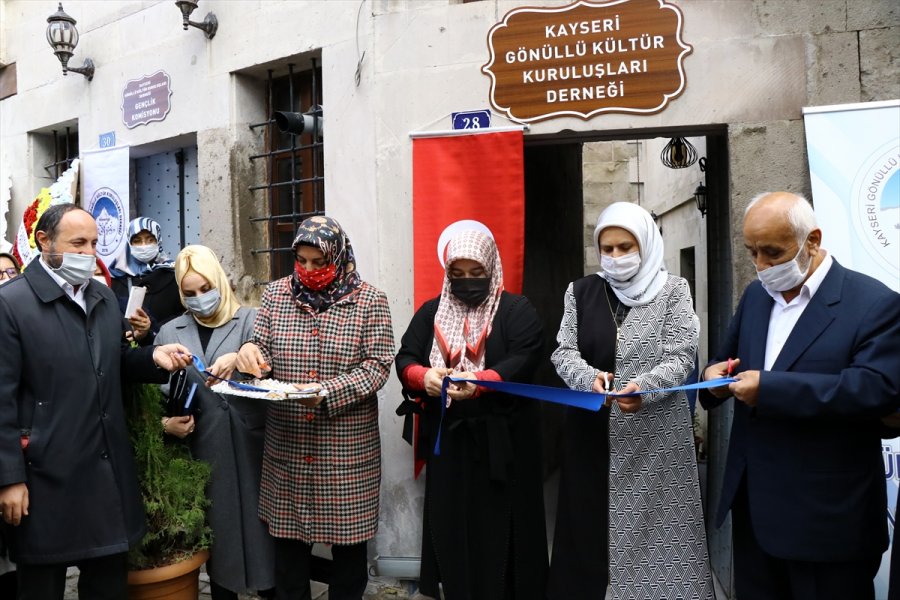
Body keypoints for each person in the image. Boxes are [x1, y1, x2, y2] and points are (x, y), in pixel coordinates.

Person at [700, 192, 900, 600]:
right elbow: (729, 359)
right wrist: (712, 377)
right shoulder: (756, 296)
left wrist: (769, 389)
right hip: (755, 514)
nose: (760, 266)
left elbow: (875, 389)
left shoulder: (874, 304)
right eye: (752, 251)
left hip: (827, 523)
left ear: (812, 240)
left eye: (772, 252)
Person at [0, 203, 191, 600]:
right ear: (45, 242)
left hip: (105, 475)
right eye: (78, 243)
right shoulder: (10, 304)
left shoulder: (102, 298)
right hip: (43, 477)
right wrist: (9, 478)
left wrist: (152, 358)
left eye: (93, 243)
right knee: (41, 588)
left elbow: (113, 362)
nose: (88, 253)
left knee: (107, 585)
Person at [549, 201, 714, 599]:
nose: (616, 257)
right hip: (593, 434)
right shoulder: (581, 291)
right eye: (608, 249)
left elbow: (681, 355)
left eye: (626, 247)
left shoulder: (674, 291)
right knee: (589, 526)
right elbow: (562, 351)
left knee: (661, 534)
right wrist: (589, 378)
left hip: (656, 440)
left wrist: (644, 387)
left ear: (646, 244)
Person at [235, 216, 394, 600]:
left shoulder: (369, 301)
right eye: (301, 261)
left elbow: (377, 365)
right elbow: (264, 350)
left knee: (348, 560)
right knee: (289, 558)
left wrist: (326, 391)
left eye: (318, 263)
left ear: (338, 258)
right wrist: (250, 354)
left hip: (344, 451)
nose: (308, 271)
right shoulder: (275, 295)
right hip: (288, 447)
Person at [395, 227, 547, 600]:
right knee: (453, 530)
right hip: (451, 446)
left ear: (491, 267)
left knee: (503, 536)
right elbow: (406, 357)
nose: (467, 282)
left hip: (504, 446)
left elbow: (526, 356)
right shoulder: (431, 312)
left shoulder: (516, 310)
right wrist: (424, 376)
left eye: (476, 273)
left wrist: (481, 381)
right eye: (457, 274)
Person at [155, 245, 275, 599]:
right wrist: (168, 422)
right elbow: (160, 394)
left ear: (220, 281)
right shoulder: (170, 332)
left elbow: (274, 370)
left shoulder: (252, 319)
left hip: (254, 445)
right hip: (204, 449)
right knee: (220, 535)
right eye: (189, 293)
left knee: (263, 532)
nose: (199, 299)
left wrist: (240, 357)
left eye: (206, 289)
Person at [109, 216, 182, 340]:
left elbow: (182, 315)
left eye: (150, 240)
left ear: (158, 241)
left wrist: (153, 331)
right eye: (137, 241)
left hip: (166, 345)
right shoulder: (117, 276)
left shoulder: (173, 275)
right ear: (129, 243)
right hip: (128, 351)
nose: (144, 246)